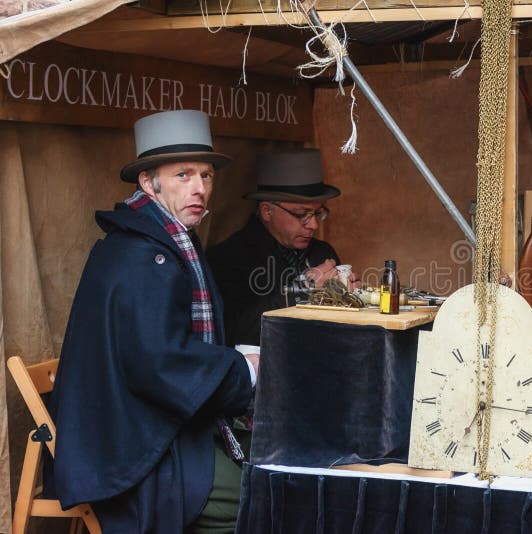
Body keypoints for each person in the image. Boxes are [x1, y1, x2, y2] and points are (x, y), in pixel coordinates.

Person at [48, 110, 257, 533]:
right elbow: (158, 364)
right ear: (149, 182)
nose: (199, 188)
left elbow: (165, 347)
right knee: (260, 497)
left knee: (274, 464)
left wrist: (235, 359)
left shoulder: (164, 240)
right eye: (183, 174)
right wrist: (244, 371)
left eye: (207, 175)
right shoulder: (141, 256)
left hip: (152, 426)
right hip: (131, 451)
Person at [207, 148, 348, 347]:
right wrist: (302, 290)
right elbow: (236, 331)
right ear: (267, 211)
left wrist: (350, 298)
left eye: (318, 213)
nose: (314, 225)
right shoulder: (227, 258)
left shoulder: (322, 252)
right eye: (302, 214)